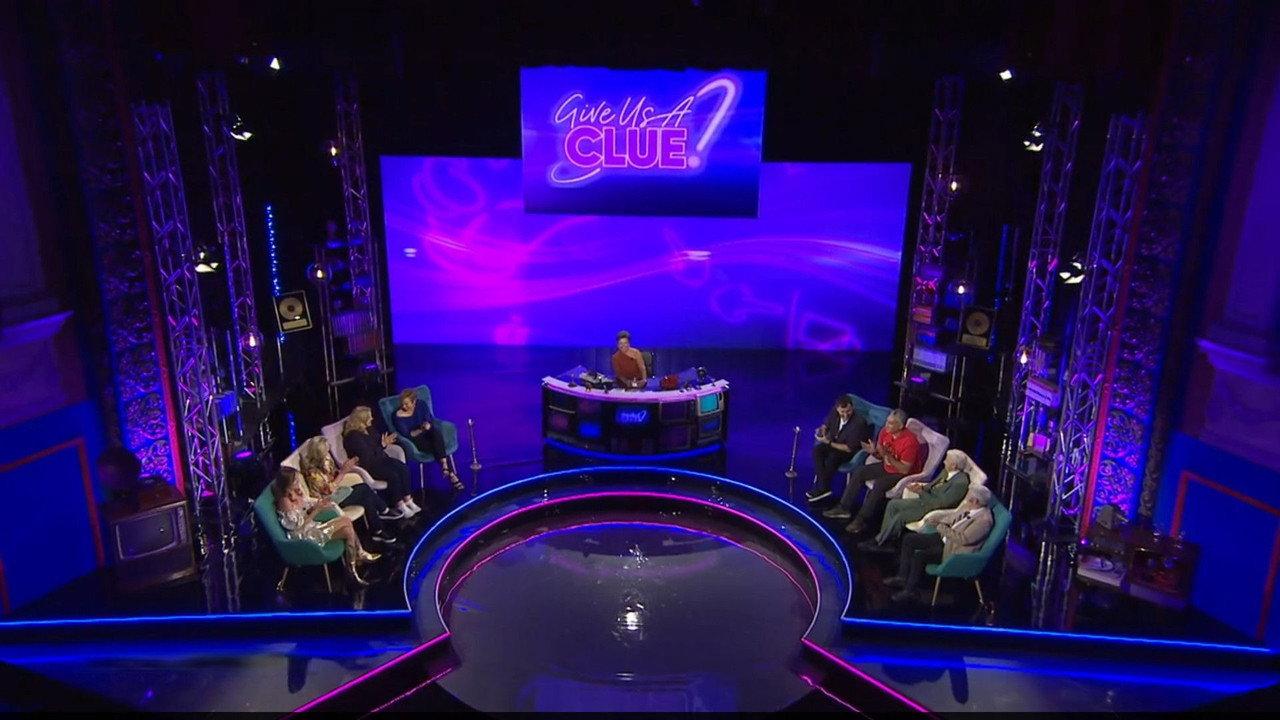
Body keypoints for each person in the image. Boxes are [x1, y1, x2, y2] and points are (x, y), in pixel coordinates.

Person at [883, 485, 994, 603]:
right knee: (909, 539)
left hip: (953, 550)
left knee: (920, 556)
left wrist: (941, 527)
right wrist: (939, 521)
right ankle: (902, 577)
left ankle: (910, 591)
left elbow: (963, 539)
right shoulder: (969, 506)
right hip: (944, 538)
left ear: (975, 501)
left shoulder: (984, 521)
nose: (966, 499)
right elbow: (952, 518)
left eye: (969, 497)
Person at [819, 409, 922, 534]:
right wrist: (874, 452)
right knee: (859, 472)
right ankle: (843, 508)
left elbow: (905, 469)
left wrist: (887, 456)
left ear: (900, 426)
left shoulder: (910, 442)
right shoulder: (885, 432)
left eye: (891, 423)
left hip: (903, 474)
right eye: (887, 421)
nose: (886, 425)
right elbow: (881, 455)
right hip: (887, 465)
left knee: (879, 485)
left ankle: (861, 520)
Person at [273, 468, 378, 586]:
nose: (298, 482)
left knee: (347, 529)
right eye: (296, 480)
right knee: (346, 522)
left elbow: (306, 506)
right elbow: (298, 526)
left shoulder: (295, 492)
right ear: (288, 484)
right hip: (302, 536)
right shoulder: (285, 502)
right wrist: (317, 510)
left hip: (310, 527)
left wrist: (319, 504)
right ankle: (358, 558)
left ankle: (353, 570)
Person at [860, 449, 973, 551]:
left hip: (932, 508)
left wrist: (921, 492)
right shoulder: (946, 471)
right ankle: (886, 539)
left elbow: (940, 503)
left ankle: (878, 541)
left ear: (954, 465)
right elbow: (932, 485)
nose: (944, 462)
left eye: (947, 460)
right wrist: (920, 488)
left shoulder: (960, 483)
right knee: (893, 504)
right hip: (925, 500)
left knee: (900, 517)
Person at [298, 436, 402, 542]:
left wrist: (345, 467)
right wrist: (343, 472)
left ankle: (378, 530)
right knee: (364, 490)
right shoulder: (313, 473)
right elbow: (327, 490)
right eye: (326, 448)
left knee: (366, 497)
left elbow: (333, 475)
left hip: (337, 492)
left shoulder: (326, 460)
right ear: (320, 453)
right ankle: (383, 512)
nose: (329, 449)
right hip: (328, 502)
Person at [343, 405, 421, 519]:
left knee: (403, 468)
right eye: (369, 417)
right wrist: (382, 445)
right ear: (362, 420)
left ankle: (408, 500)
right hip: (370, 465)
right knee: (393, 475)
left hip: (381, 459)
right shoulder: (353, 437)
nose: (372, 419)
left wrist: (384, 443)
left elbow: (377, 443)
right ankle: (400, 505)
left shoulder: (369, 429)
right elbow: (367, 455)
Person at [392, 389, 464, 492]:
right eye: (402, 404)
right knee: (437, 444)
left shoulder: (421, 405)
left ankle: (446, 467)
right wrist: (422, 429)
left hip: (429, 432)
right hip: (416, 439)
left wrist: (427, 425)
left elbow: (428, 420)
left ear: (414, 401)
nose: (403, 406)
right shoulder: (397, 416)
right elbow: (408, 434)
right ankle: (450, 472)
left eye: (406, 404)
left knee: (436, 433)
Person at [804, 396, 870, 502]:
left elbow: (849, 448)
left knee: (833, 457)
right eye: (842, 412)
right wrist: (822, 430)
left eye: (848, 411)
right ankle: (824, 486)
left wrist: (828, 442)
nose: (845, 414)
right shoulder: (834, 412)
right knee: (817, 451)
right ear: (837, 409)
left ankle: (822, 488)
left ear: (852, 407)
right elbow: (826, 424)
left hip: (848, 450)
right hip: (834, 442)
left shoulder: (859, 423)